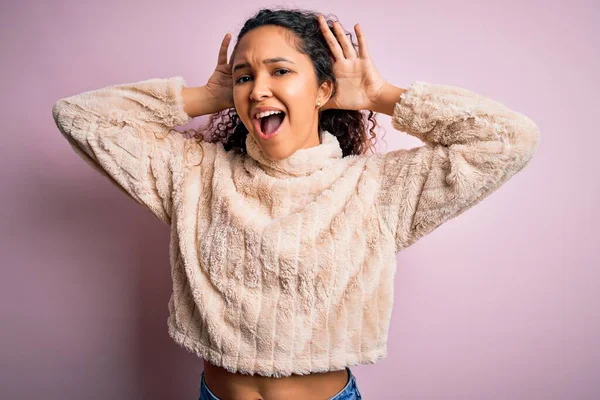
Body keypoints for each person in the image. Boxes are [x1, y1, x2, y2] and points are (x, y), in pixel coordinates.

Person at [51, 7, 540, 400]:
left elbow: (510, 140)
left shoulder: (377, 189)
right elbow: (79, 117)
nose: (258, 88)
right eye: (244, 77)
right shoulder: (194, 174)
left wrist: (379, 94)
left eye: (280, 70)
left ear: (324, 90)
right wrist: (206, 95)